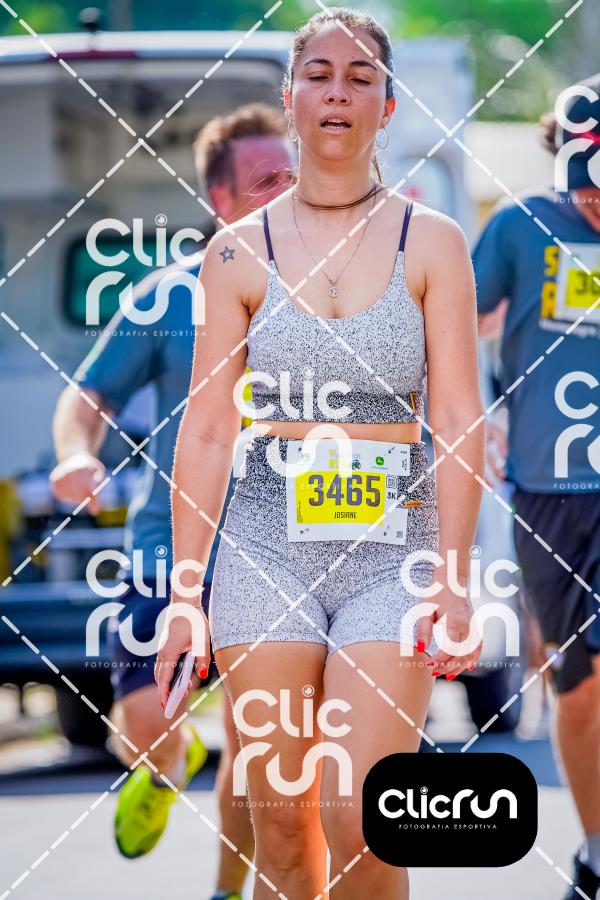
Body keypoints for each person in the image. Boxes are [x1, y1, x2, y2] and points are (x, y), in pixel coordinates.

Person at [156, 8, 484, 899]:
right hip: (265, 547)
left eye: (361, 77)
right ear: (291, 98)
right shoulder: (235, 253)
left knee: (363, 817)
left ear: (387, 105)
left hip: (394, 551)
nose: (338, 91)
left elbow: (459, 417)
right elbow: (208, 428)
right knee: (284, 831)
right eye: (320, 74)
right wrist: (186, 597)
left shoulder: (433, 241)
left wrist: (454, 581)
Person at [50, 103, 293, 900]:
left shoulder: (327, 287)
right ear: (221, 198)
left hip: (280, 554)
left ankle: (228, 890)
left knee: (256, 742)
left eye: (291, 175)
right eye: (267, 179)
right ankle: (167, 763)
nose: (287, 189)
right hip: (171, 549)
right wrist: (76, 452)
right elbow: (89, 395)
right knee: (149, 727)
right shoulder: (167, 296)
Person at [473, 74, 600, 900]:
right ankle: (595, 853)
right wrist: (478, 409)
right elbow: (450, 322)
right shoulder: (521, 227)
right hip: (547, 492)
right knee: (578, 687)